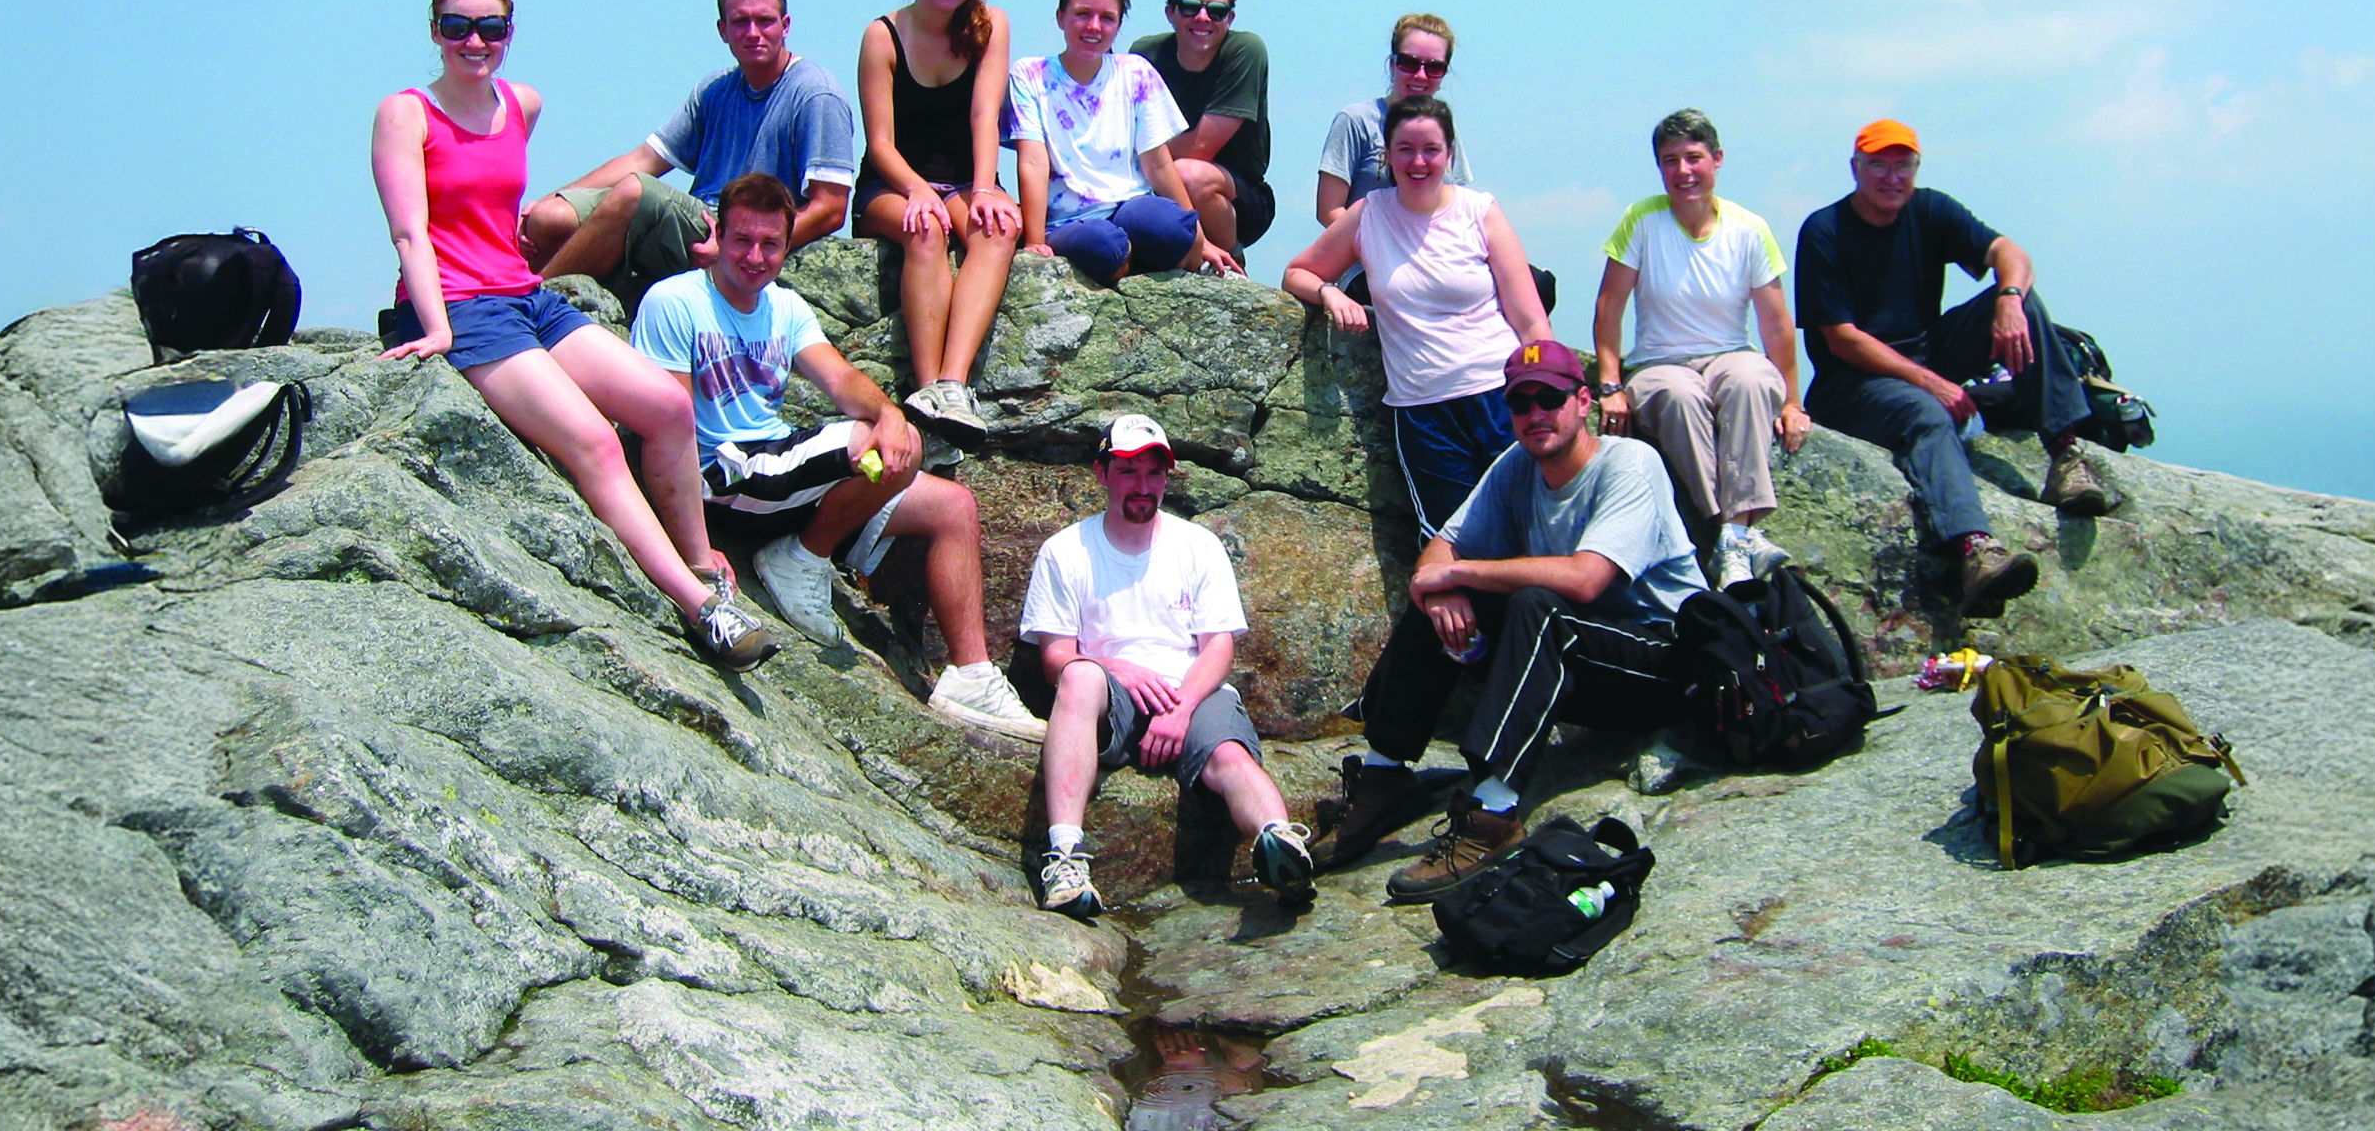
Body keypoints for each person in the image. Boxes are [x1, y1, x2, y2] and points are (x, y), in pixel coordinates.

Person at [371, 0, 769, 671]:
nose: (474, 41)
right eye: (458, 26)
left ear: (509, 33)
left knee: (666, 407)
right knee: (593, 441)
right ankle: (701, 607)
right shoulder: (406, 114)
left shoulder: (519, 104)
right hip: (462, 309)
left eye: (490, 28)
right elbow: (411, 234)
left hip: (526, 297)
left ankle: (701, 560)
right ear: (435, 32)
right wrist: (433, 329)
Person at [631, 173, 1046, 739]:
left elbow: (841, 379)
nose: (755, 257)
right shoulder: (674, 302)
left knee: (951, 505)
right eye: (742, 241)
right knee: (874, 447)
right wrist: (695, 551)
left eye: (770, 244)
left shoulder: (784, 307)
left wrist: (892, 414)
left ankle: (970, 674)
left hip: (782, 475)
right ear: (719, 235)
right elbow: (668, 428)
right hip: (720, 478)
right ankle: (800, 556)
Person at [1309, 343, 1708, 898]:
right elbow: (1440, 548)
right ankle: (1384, 775)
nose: (1536, 413)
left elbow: (1586, 579)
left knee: (1534, 603)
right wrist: (1444, 588)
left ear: (1584, 401)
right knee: (1449, 598)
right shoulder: (1516, 465)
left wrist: (1459, 574)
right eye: (1521, 402)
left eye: (1550, 397)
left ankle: (1494, 811)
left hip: (1664, 666)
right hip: (1581, 663)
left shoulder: (1629, 464)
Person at [1794, 119, 2117, 620]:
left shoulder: (1929, 209)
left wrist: (2009, 298)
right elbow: (1843, 338)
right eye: (1878, 164)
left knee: (2023, 307)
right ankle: (1974, 550)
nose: (1891, 177)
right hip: (1849, 383)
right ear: (1855, 169)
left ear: (1916, 169)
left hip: (1926, 352)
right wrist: (1933, 383)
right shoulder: (1825, 229)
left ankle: (2065, 456)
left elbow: (2009, 253)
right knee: (1926, 413)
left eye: (1903, 165)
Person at [1022, 415, 1315, 919]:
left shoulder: (1196, 545)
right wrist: (1116, 666)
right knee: (1078, 675)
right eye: (1129, 472)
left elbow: (1218, 646)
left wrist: (1180, 712)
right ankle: (1067, 858)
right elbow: (1054, 657)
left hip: (1190, 690)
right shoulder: (1065, 551)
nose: (1143, 486)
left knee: (1228, 754)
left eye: (1154, 474)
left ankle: (1279, 842)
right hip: (1108, 695)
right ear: (1102, 473)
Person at [1282, 98, 1551, 538]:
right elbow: (1297, 272)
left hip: (1502, 396)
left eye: (1431, 149)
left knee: (1533, 529)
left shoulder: (1479, 210)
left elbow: (1530, 320)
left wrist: (1546, 391)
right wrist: (1330, 293)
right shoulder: (1369, 214)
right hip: (1423, 410)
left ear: (1449, 153)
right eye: (1405, 149)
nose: (1419, 161)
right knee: (1454, 543)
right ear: (1387, 155)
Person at [517, 0, 856, 312]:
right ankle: (524, 295)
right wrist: (551, 197)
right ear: (723, 30)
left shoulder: (815, 93)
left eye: (764, 21)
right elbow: (644, 159)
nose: (753, 33)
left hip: (739, 231)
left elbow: (830, 208)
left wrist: (737, 250)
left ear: (785, 25)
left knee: (636, 193)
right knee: (549, 218)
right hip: (699, 221)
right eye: (741, 22)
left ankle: (530, 308)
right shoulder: (716, 90)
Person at [1593, 109, 1811, 588]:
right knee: (1679, 396)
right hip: (1659, 361)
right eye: (1670, 161)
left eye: (1694, 158)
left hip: (1731, 352)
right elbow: (1610, 310)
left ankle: (1732, 538)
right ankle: (1734, 532)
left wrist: (1793, 402)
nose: (1683, 171)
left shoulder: (1750, 228)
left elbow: (1776, 325)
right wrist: (1610, 384)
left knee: (1752, 380)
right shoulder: (1641, 220)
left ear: (1717, 160)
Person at [853, 0, 1021, 453]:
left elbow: (983, 114)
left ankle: (953, 383)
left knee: (998, 231)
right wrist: (916, 188)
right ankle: (926, 390)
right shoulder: (883, 34)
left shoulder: (990, 25)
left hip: (964, 178)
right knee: (924, 228)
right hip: (893, 179)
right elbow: (879, 141)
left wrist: (988, 188)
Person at [1007, 0, 1243, 285]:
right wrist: (1035, 241)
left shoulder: (1135, 72)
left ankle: (1146, 257)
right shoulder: (1030, 74)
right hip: (1069, 217)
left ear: (1118, 25)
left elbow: (1158, 163)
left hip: (1131, 203)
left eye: (1107, 18)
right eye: (1082, 14)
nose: (1094, 27)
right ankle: (1128, 263)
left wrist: (1199, 238)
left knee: (1173, 231)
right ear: (1061, 17)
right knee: (1105, 248)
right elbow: (1033, 161)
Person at [1128, 0, 1275, 254]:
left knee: (1189, 174)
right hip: (1158, 183)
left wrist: (1139, 164)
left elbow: (1200, 149)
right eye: (1190, 7)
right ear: (1170, 12)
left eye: (1216, 11)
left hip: (1237, 197)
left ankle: (1230, 264)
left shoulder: (1246, 50)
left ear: (1230, 18)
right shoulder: (1143, 56)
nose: (1203, 17)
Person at [1314, 13, 1474, 226]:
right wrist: (1381, 246)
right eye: (1409, 63)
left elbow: (1456, 206)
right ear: (1392, 64)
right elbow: (1329, 211)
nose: (1420, 75)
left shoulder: (1445, 126)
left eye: (1434, 67)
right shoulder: (1356, 120)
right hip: (1365, 256)